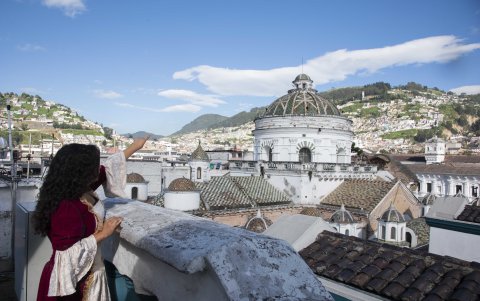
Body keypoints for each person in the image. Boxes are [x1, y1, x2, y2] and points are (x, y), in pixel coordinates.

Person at [33, 137, 148, 301]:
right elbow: (67, 255)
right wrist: (104, 232)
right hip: (74, 284)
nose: (97, 170)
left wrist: (135, 146)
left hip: (91, 271)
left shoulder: (79, 189)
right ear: (80, 172)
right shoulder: (66, 208)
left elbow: (108, 168)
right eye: (93, 167)